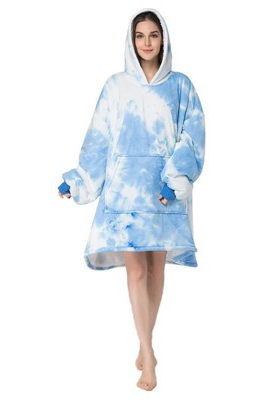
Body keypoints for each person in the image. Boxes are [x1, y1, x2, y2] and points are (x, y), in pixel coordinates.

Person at [58, 8, 205, 391]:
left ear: (163, 38)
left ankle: (145, 342)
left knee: (156, 270)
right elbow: (99, 137)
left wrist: (177, 178)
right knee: (136, 271)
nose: (147, 42)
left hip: (163, 192)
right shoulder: (116, 86)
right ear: (131, 40)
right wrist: (80, 180)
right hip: (123, 192)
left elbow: (192, 136)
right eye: (140, 35)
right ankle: (148, 353)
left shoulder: (181, 86)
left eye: (153, 35)